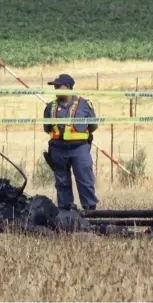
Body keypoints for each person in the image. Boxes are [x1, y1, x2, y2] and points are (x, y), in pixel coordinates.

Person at [42, 74, 99, 211]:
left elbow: (93, 126)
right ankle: (66, 213)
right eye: (54, 86)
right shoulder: (50, 107)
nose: (55, 88)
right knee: (62, 183)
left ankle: (90, 212)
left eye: (58, 86)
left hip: (79, 148)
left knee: (85, 180)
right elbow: (46, 128)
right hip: (58, 149)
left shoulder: (85, 105)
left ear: (67, 87)